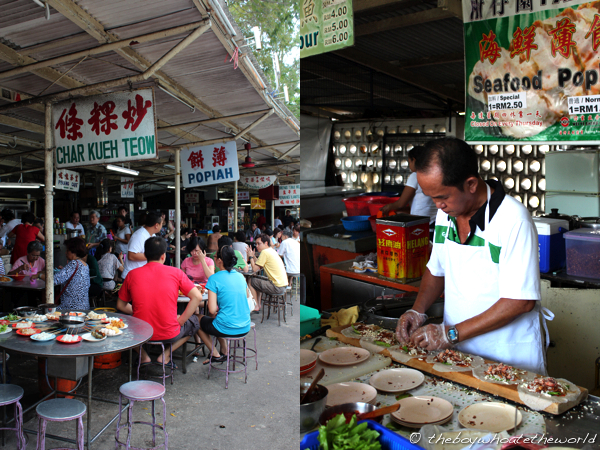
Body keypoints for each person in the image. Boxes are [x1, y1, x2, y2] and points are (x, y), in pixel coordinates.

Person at [395, 138, 546, 374]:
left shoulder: (514, 220)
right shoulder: (447, 213)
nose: (438, 206)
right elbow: (436, 269)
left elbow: (521, 301)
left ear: (471, 184)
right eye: (431, 197)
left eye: (442, 197)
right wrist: (418, 310)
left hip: (506, 354)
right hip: (457, 350)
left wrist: (450, 333)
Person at [117, 237, 203, 368]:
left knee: (120, 325)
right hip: (170, 333)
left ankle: (143, 355)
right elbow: (197, 297)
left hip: (141, 334)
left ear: (145, 255)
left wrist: (140, 312)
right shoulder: (176, 272)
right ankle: (165, 355)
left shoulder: (131, 274)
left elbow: (120, 305)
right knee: (195, 322)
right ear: (164, 256)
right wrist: (180, 320)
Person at [197, 245, 251, 365]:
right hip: (245, 326)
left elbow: (211, 309)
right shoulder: (241, 276)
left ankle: (215, 354)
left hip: (226, 328)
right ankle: (224, 350)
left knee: (196, 319)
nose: (214, 258)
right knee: (219, 318)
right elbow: (247, 297)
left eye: (215, 256)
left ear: (219, 261)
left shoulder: (214, 278)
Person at [380, 146, 438, 237]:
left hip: (419, 225)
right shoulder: (435, 175)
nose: (409, 165)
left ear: (414, 160)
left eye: (409, 161)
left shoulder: (415, 176)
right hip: (433, 223)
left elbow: (401, 204)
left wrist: (388, 207)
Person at [33, 238, 90, 310]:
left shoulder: (73, 264)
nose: (66, 253)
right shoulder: (85, 265)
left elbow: (54, 280)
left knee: (46, 311)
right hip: (83, 306)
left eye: (67, 250)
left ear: (73, 251)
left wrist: (39, 275)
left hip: (71, 307)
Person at [246, 234, 288, 311]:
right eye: (256, 244)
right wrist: (253, 256)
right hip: (282, 285)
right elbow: (258, 263)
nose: (257, 246)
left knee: (251, 281)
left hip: (277, 286)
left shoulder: (265, 252)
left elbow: (255, 269)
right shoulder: (271, 250)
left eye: (259, 243)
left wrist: (251, 257)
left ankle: (255, 305)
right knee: (256, 279)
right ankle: (258, 304)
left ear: (265, 243)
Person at [122, 211, 162, 279]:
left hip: (142, 275)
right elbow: (131, 255)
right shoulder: (139, 235)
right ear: (156, 225)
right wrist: (153, 256)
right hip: (132, 276)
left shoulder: (153, 235)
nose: (162, 225)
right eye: (161, 223)